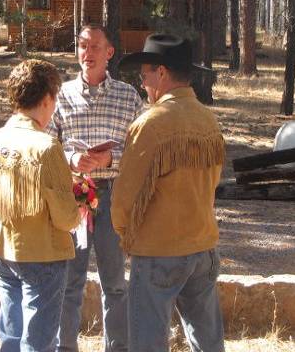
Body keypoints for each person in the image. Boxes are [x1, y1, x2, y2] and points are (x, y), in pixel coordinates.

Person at [111, 34, 226, 352]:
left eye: (145, 74)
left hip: (159, 250)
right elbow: (212, 180)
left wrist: (125, 236)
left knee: (147, 342)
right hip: (203, 246)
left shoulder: (151, 124)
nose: (142, 82)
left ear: (161, 73)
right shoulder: (208, 120)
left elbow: (125, 197)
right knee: (208, 341)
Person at [48, 24, 144, 352]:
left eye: (94, 47)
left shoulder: (128, 96)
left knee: (115, 283)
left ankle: (117, 347)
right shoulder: (60, 95)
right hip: (74, 194)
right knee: (70, 280)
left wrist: (109, 158)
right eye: (82, 46)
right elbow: (46, 145)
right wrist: (72, 158)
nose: (86, 54)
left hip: (114, 194)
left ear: (109, 52)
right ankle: (65, 347)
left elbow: (139, 148)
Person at [0, 59, 80, 352]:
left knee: (11, 334)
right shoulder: (47, 147)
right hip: (42, 253)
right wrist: (78, 208)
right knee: (39, 341)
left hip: (2, 247)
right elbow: (65, 218)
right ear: (47, 99)